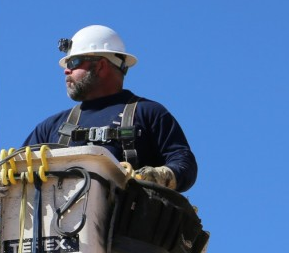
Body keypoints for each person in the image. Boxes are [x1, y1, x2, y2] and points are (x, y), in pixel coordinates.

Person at [23, 25, 197, 192]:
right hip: (60, 220)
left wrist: (160, 176)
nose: (66, 71)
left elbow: (184, 163)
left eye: (74, 62)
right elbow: (15, 169)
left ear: (100, 66)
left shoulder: (148, 113)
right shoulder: (51, 127)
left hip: (127, 219)